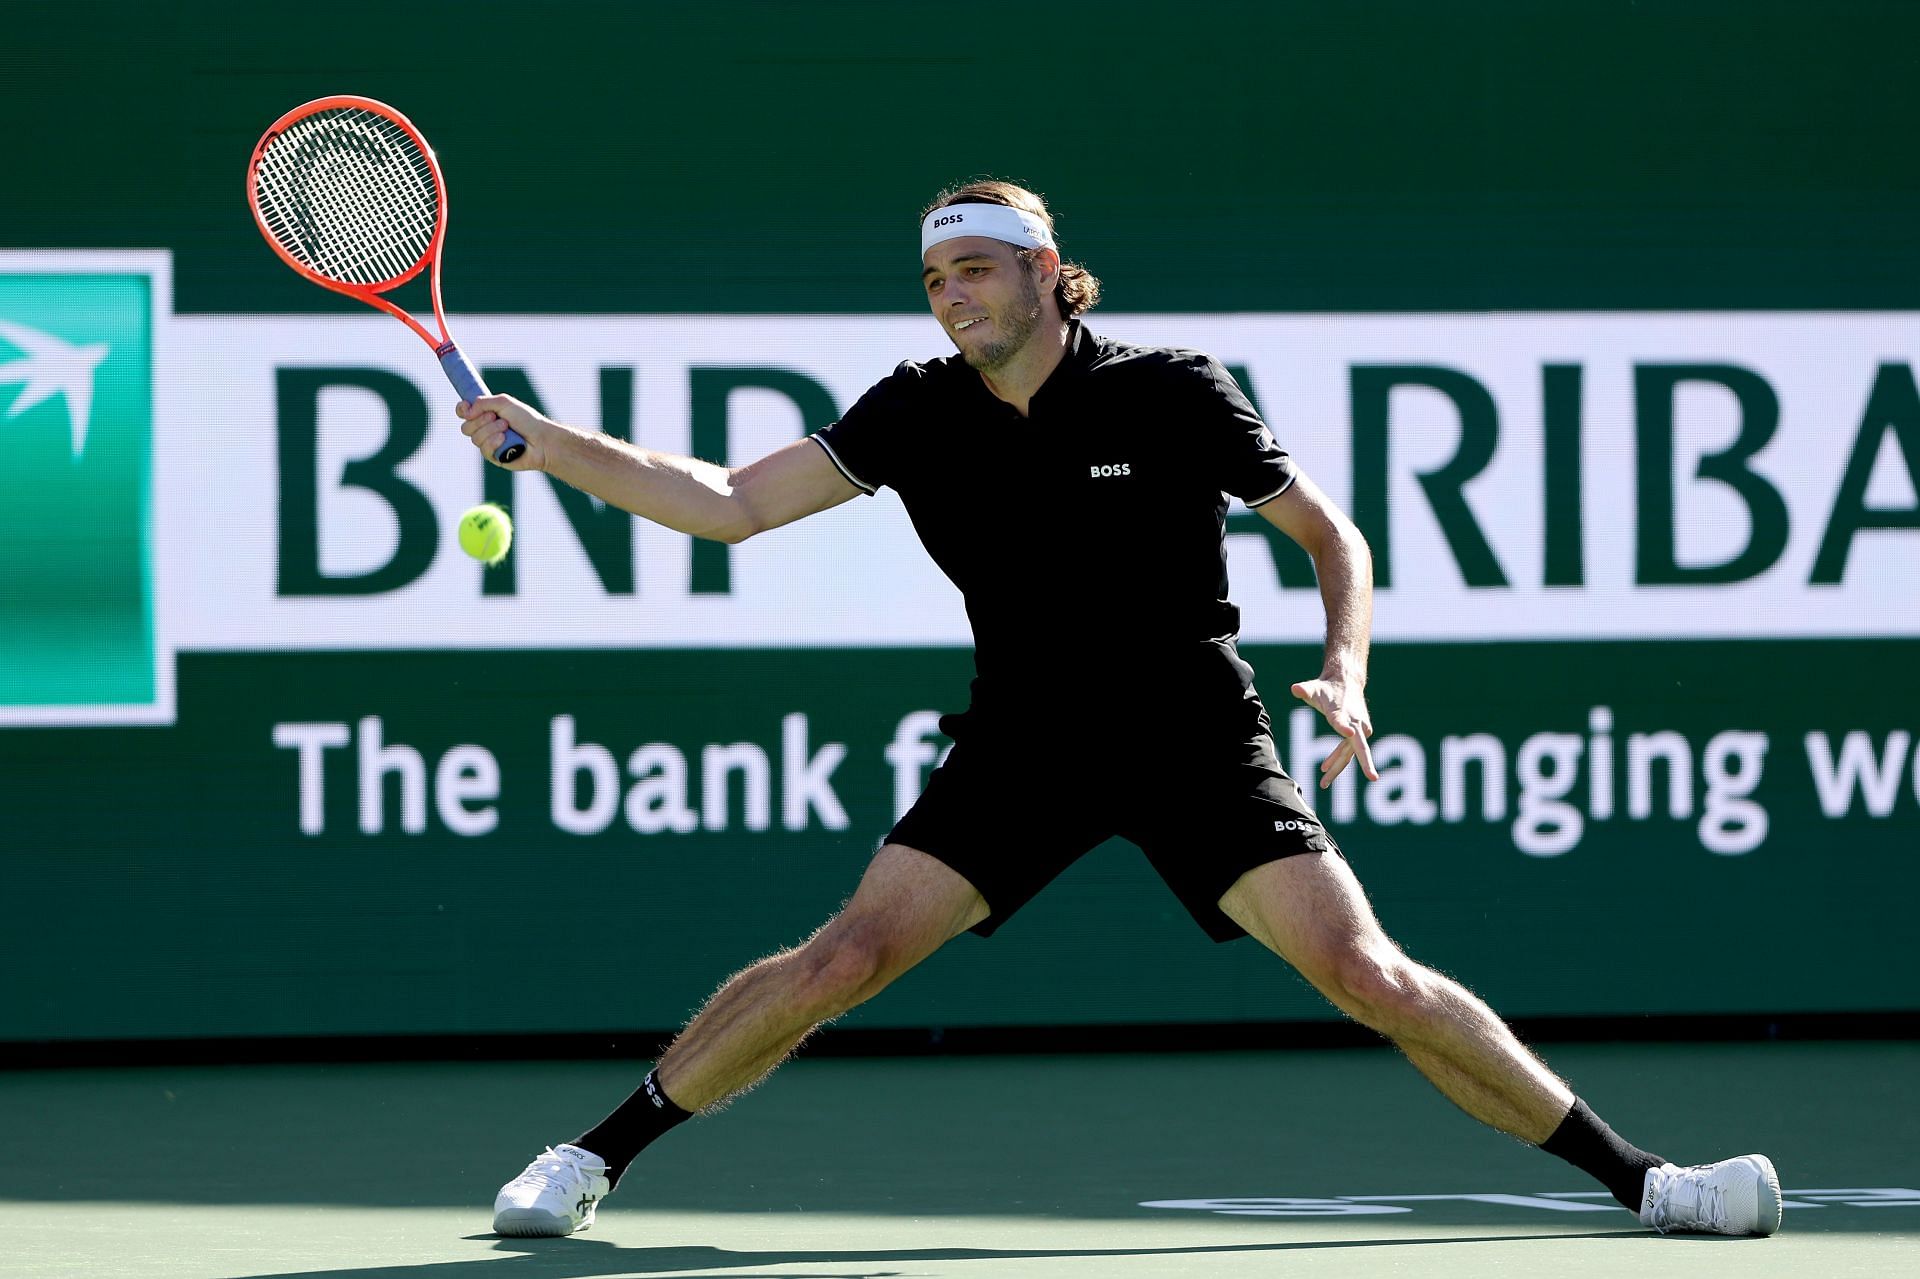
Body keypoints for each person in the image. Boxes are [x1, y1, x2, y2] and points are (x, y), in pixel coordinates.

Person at [459, 180, 1781, 1241]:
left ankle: (1650, 1185)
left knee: (1366, 973)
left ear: (1045, 269)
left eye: (972, 267)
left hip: (1193, 737)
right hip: (1023, 743)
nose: (949, 296)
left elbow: (1331, 536)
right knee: (844, 959)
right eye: (932, 279)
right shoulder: (914, 413)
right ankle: (589, 1160)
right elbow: (730, 506)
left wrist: (1348, 669)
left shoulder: (1171, 388)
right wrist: (552, 445)